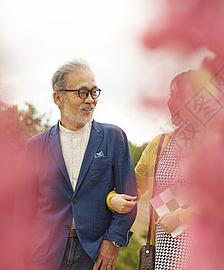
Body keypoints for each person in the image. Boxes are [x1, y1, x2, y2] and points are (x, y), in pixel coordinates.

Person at [15, 59, 137, 270]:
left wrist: (113, 242)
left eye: (94, 92)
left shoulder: (115, 137)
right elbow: (23, 210)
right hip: (43, 254)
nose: (90, 100)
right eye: (82, 92)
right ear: (58, 97)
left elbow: (130, 199)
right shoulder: (34, 147)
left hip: (95, 254)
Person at [106, 70, 214, 270]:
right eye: (170, 96)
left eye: (178, 96)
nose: (170, 102)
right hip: (164, 253)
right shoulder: (160, 143)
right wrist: (111, 199)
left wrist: (181, 217)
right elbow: (132, 189)